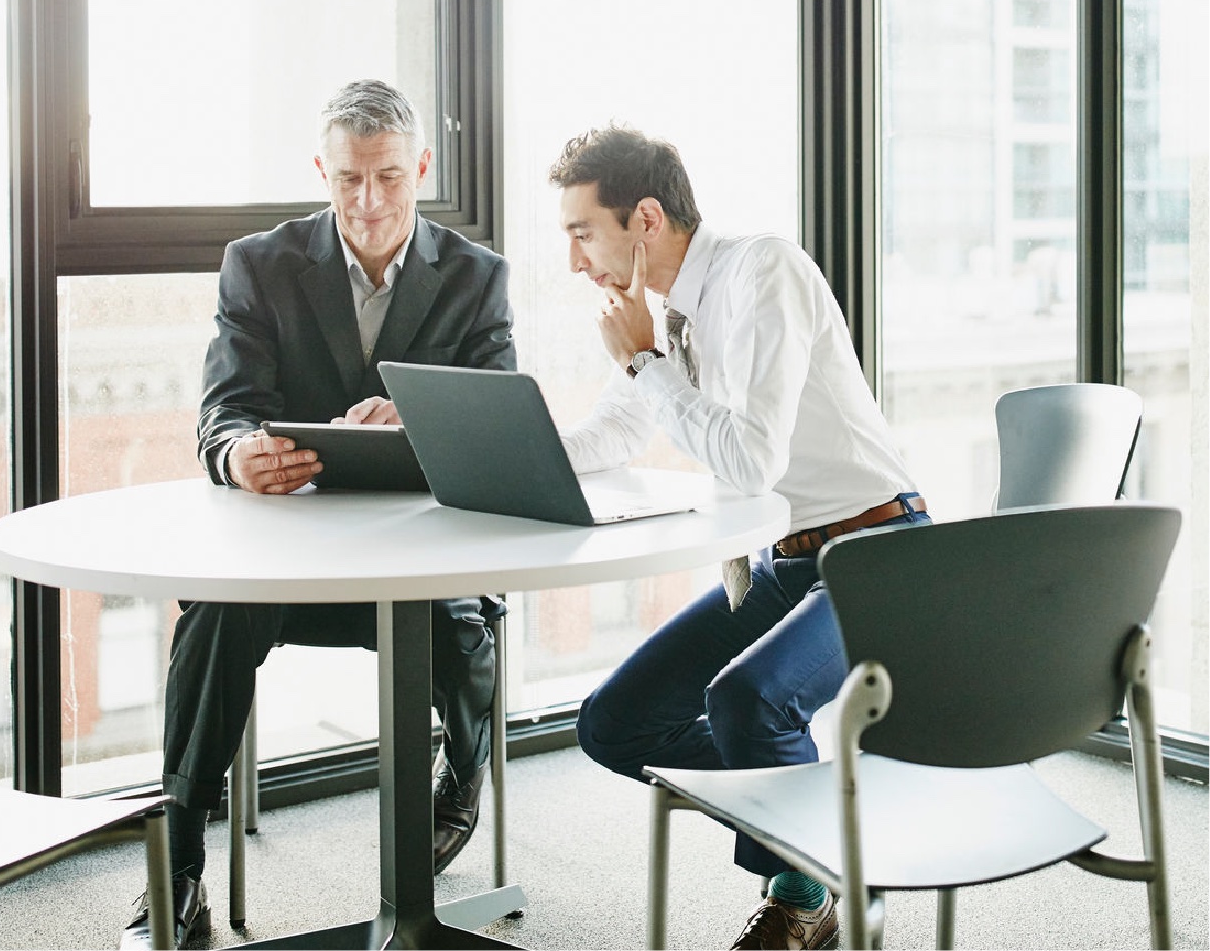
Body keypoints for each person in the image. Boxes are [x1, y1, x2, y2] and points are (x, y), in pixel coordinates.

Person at [121, 80, 516, 950]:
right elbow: (221, 411)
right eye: (346, 180)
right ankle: (176, 861)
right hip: (290, 563)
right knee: (213, 613)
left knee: (461, 625)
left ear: (419, 167)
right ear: (321, 171)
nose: (366, 203)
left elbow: (499, 427)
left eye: (385, 178)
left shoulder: (477, 278)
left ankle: (462, 778)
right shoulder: (259, 263)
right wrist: (236, 456)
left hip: (421, 560)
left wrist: (420, 419)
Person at [548, 125, 929, 951]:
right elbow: (613, 432)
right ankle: (829, 809)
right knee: (613, 722)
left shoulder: (764, 272)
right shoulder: (663, 315)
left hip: (880, 551)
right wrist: (509, 449)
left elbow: (752, 464)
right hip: (783, 561)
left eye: (583, 232)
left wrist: (647, 363)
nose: (576, 260)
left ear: (644, 217)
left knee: (747, 699)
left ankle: (803, 893)